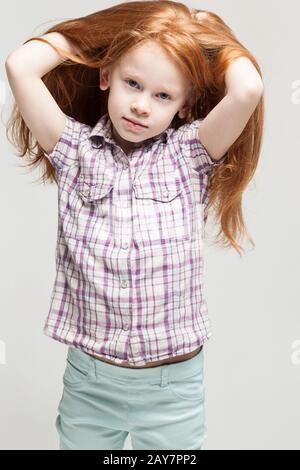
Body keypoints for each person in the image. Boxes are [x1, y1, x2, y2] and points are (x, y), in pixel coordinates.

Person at [5, 1, 264, 450]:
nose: (142, 105)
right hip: (90, 381)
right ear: (106, 76)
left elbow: (246, 91)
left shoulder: (190, 156)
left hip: (173, 387)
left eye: (163, 95)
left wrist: (206, 34)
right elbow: (19, 66)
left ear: (185, 107)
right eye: (132, 83)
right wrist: (98, 34)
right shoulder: (74, 151)